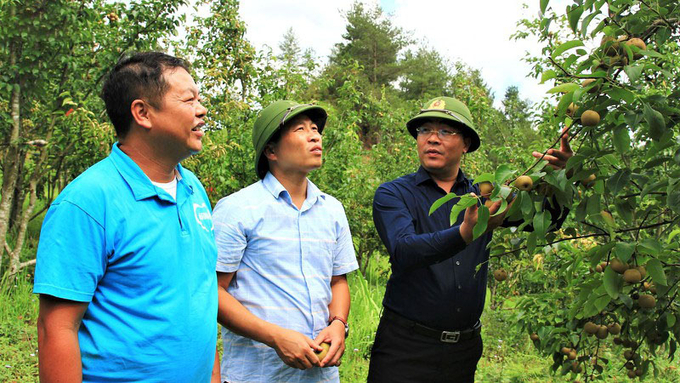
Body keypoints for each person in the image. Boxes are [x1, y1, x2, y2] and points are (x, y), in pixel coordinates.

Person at [33, 52, 220, 382]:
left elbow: (201, 304)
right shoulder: (88, 201)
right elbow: (56, 328)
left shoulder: (193, 188)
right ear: (143, 113)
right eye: (190, 99)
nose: (202, 110)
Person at [367, 96, 572, 382]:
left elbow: (545, 221)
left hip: (463, 351)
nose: (432, 139)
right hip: (405, 347)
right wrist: (464, 233)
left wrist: (563, 178)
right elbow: (404, 250)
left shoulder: (486, 196)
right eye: (424, 130)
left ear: (466, 144)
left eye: (445, 131)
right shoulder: (393, 194)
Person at [213, 100, 359, 382]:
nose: (315, 135)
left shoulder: (332, 210)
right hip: (257, 374)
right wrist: (275, 337)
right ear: (271, 150)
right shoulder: (238, 209)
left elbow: (337, 281)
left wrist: (339, 323)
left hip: (321, 375)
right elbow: (213, 292)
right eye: (300, 129)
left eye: (315, 129)